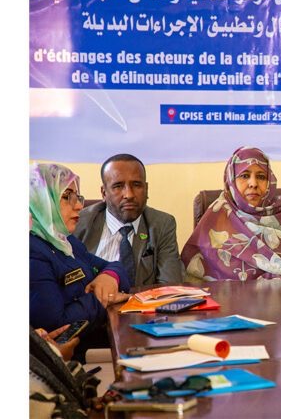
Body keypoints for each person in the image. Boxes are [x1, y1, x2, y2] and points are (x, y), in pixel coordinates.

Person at [29, 163, 131, 361]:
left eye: (78, 197)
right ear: (41, 199)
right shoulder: (31, 251)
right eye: (67, 197)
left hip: (97, 344)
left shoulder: (65, 241)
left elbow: (115, 266)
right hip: (73, 360)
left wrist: (109, 276)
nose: (78, 206)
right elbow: (58, 325)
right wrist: (103, 298)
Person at [181, 146, 281, 281]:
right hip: (229, 300)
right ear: (231, 180)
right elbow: (196, 272)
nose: (253, 183)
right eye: (245, 176)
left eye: (261, 177)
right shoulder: (217, 214)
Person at [74, 154, 184, 286]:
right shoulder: (79, 222)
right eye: (118, 186)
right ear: (104, 193)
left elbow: (170, 286)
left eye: (136, 185)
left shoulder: (162, 224)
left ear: (146, 189)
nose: (129, 195)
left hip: (142, 299)